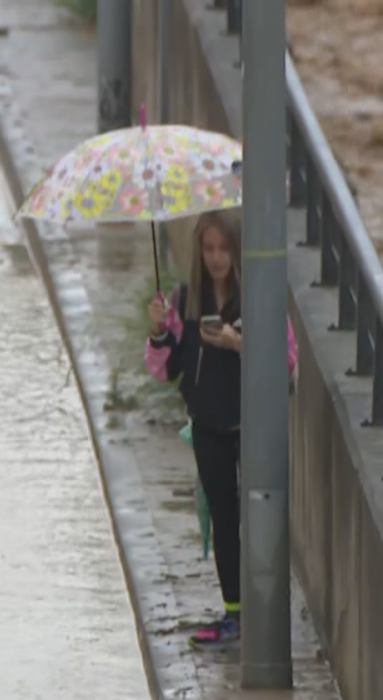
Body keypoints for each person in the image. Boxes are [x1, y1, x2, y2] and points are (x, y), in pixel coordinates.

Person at [144, 211, 297, 648]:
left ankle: (266, 612)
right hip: (207, 425)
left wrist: (237, 343)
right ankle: (234, 613)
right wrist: (159, 330)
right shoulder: (184, 301)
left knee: (259, 518)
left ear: (237, 250)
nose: (215, 258)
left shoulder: (260, 298)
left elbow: (286, 360)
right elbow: (162, 368)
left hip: (251, 425)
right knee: (223, 517)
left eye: (223, 249)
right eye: (208, 249)